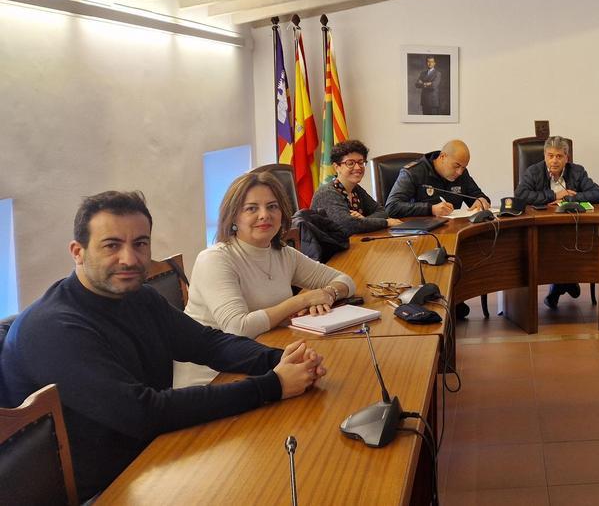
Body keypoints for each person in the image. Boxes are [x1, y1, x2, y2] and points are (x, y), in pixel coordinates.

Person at [0, 191, 325, 501]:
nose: (129, 258)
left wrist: (282, 359)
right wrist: (273, 385)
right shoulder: (54, 328)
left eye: (140, 244)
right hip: (104, 489)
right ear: (78, 252)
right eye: (111, 245)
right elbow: (144, 412)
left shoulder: (137, 297)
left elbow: (207, 343)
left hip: (153, 458)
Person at [177, 172, 354, 386]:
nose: (264, 215)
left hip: (260, 360)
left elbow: (345, 280)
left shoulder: (283, 253)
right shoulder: (215, 259)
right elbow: (238, 328)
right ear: (234, 217)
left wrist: (328, 293)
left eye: (272, 206)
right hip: (213, 379)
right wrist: (302, 300)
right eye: (252, 208)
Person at [516, 136, 599, 308]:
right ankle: (567, 281)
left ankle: (560, 285)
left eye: (559, 156)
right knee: (551, 245)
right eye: (550, 155)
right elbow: (520, 195)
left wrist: (571, 197)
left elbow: (597, 194)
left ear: (567, 158)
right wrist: (553, 196)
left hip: (572, 228)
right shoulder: (534, 171)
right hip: (542, 227)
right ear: (544, 156)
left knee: (572, 242)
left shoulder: (577, 171)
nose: (554, 160)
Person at [311, 139, 405, 234]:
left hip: (352, 243)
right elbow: (347, 226)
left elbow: (382, 211)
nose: (357, 167)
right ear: (337, 167)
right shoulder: (326, 193)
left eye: (361, 162)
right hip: (330, 247)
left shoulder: (355, 189)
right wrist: (385, 222)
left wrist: (363, 221)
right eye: (350, 163)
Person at [384, 139, 491, 218]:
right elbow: (391, 207)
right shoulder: (413, 172)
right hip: (420, 233)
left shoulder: (462, 173)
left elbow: (478, 196)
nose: (460, 172)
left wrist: (481, 201)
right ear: (442, 157)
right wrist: (431, 209)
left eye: (464, 167)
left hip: (453, 229)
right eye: (457, 166)